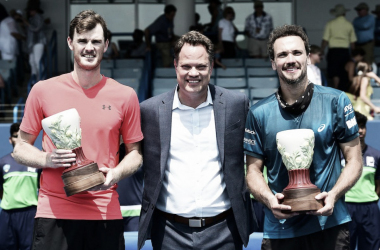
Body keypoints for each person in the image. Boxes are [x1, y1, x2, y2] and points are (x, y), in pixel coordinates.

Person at [13, 10, 143, 250]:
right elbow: (20, 148)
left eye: (95, 41)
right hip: (54, 212)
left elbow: (135, 153)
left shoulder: (125, 96)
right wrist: (47, 159)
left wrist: (115, 174)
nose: (89, 47)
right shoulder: (43, 90)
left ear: (106, 45)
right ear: (70, 43)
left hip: (105, 212)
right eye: (82, 40)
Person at [244, 24, 362, 250]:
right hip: (280, 230)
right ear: (273, 63)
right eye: (282, 55)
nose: (290, 59)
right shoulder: (258, 113)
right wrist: (270, 201)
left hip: (330, 226)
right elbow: (253, 171)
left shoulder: (336, 101)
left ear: (308, 57)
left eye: (297, 52)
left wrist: (334, 195)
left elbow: (354, 159)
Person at [138, 30, 256, 250]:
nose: (194, 73)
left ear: (211, 67)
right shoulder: (150, 111)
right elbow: (133, 154)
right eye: (186, 66)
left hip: (225, 231)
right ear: (175, 66)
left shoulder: (236, 104)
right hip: (168, 233)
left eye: (201, 66)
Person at [340, 111, 380, 250]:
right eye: (357, 126)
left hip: (370, 208)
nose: (360, 130)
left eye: (363, 126)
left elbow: (378, 183)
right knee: (346, 245)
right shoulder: (340, 156)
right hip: (347, 208)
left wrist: (369, 196)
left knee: (372, 246)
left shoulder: (376, 155)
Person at [0, 123, 39, 250]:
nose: (18, 140)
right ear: (10, 139)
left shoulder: (37, 162)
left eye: (21, 136)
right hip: (8, 215)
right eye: (15, 136)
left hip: (30, 214)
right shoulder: (2, 163)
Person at [321, 4, 356, 90]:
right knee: (343, 72)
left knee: (335, 72)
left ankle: (336, 88)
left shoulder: (330, 24)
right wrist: (353, 53)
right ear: (344, 13)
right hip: (344, 51)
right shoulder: (349, 24)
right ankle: (343, 90)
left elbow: (325, 39)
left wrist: (321, 50)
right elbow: (352, 42)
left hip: (333, 51)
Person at [116, 142, 143, 232]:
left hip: (135, 213)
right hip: (112, 211)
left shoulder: (141, 150)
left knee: (134, 245)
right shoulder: (110, 152)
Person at [22, 1, 46, 80]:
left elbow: (36, 28)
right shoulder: (32, 18)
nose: (30, 12)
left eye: (31, 10)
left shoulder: (38, 17)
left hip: (38, 41)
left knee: (37, 61)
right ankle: (35, 78)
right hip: (32, 43)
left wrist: (26, 23)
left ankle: (41, 79)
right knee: (32, 61)